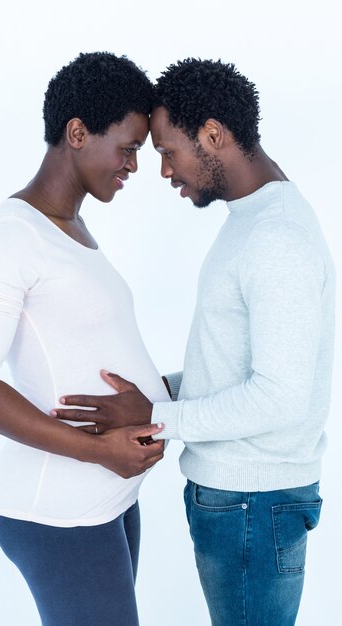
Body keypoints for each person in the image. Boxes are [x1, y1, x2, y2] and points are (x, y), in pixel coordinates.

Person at [53, 59, 335, 625]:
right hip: (241, 504)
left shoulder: (276, 239)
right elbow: (237, 368)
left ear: (213, 135)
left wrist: (158, 415)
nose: (162, 170)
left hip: (252, 506)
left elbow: (278, 397)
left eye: (166, 150)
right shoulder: (253, 222)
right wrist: (161, 391)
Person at [0, 51, 168, 626]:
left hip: (107, 497)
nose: (134, 166)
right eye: (128, 148)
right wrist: (99, 450)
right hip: (57, 510)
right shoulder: (14, 235)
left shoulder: (71, 227)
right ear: (77, 133)